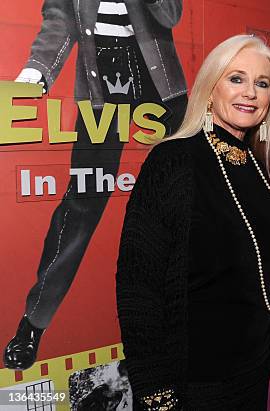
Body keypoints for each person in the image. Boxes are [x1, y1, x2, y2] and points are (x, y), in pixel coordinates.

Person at [4, 0, 187, 370]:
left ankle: (184, 314)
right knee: (81, 207)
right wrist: (37, 71)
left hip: (160, 89)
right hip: (100, 84)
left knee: (181, 201)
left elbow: (170, 15)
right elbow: (58, 19)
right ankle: (34, 321)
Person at [116, 34, 270, 410]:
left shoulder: (261, 171)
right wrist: (155, 392)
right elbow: (138, 286)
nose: (250, 93)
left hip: (258, 375)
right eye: (236, 79)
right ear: (211, 89)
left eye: (262, 84)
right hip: (193, 386)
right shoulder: (173, 162)